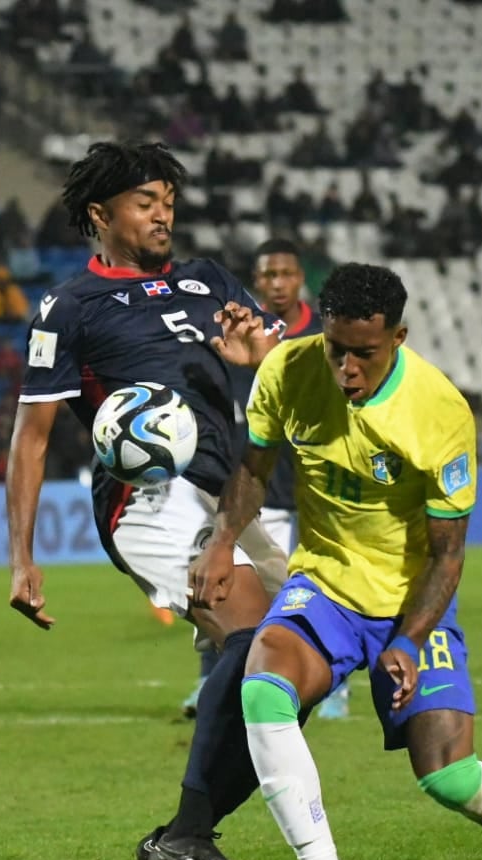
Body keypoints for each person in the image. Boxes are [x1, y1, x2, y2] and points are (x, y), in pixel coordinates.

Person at [189, 264, 482, 860]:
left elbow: (447, 556)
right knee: (261, 686)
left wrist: (409, 640)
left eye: (364, 354)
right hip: (323, 585)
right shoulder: (287, 372)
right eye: (335, 350)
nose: (346, 369)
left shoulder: (437, 411)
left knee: (447, 776)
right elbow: (252, 468)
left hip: (410, 598)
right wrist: (221, 540)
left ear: (398, 337)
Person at [4, 141, 294, 860]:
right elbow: (30, 439)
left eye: (167, 198)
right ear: (101, 216)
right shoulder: (68, 310)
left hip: (235, 496)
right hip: (149, 500)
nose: (162, 212)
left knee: (297, 673)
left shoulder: (211, 281)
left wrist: (255, 358)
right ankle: (191, 830)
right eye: (144, 201)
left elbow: (286, 372)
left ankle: (182, 841)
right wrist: (22, 558)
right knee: (255, 638)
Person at [179, 238, 351, 720]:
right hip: (265, 484)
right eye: (268, 275)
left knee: (331, 585)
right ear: (256, 281)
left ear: (300, 280)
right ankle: (213, 679)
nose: (276, 283)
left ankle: (332, 681)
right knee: (245, 580)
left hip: (321, 478)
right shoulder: (240, 334)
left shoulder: (324, 337)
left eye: (285, 274)